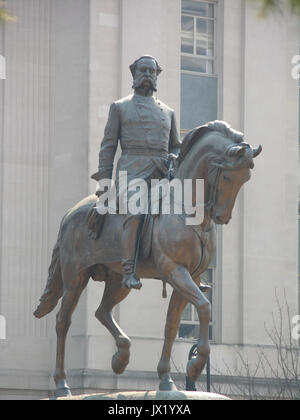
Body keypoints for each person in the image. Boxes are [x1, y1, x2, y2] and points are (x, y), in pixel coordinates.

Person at [91, 55, 181, 290]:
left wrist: (176, 159)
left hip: (162, 172)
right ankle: (128, 270)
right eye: (143, 70)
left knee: (190, 209)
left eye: (152, 71)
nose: (148, 75)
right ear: (134, 74)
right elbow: (108, 146)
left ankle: (189, 265)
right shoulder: (120, 107)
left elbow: (176, 146)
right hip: (131, 171)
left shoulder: (168, 112)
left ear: (157, 75)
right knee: (137, 210)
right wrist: (104, 182)